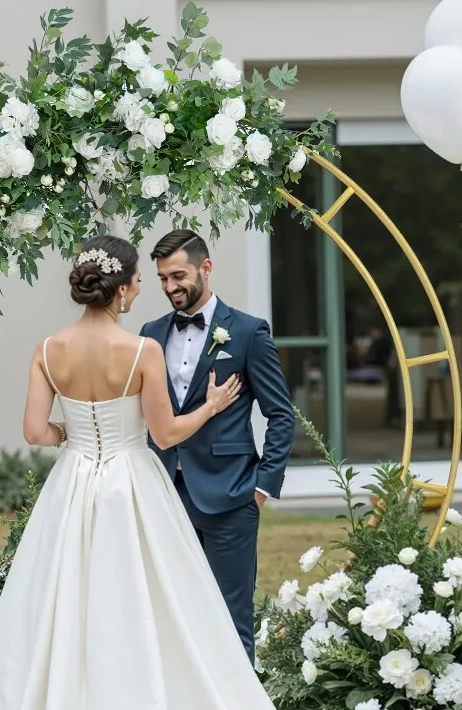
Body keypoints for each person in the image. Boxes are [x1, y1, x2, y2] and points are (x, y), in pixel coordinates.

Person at [0, 235, 276, 710]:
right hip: (131, 481)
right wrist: (211, 407)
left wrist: (66, 435)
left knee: (64, 596)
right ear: (124, 290)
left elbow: (33, 432)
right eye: (140, 282)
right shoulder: (141, 349)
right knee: (153, 598)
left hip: (71, 484)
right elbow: (167, 433)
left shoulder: (47, 349)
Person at [140, 229, 294, 665]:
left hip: (232, 495)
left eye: (178, 276)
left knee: (231, 619)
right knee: (171, 618)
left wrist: (263, 487)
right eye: (162, 279)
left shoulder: (247, 332)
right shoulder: (150, 334)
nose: (171, 287)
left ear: (205, 268)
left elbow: (280, 415)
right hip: (165, 495)